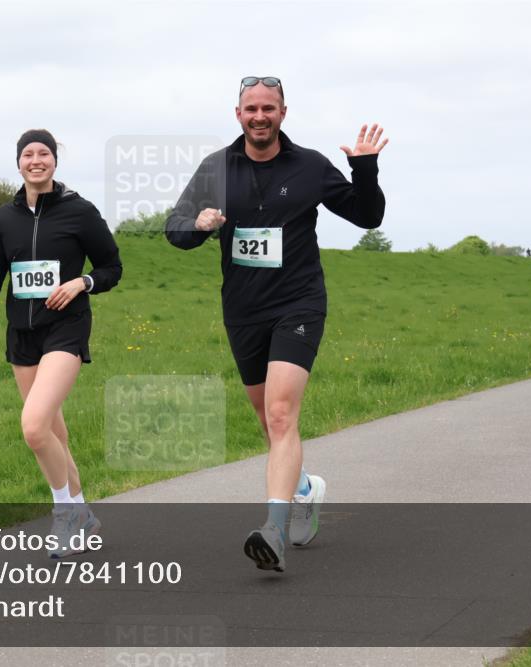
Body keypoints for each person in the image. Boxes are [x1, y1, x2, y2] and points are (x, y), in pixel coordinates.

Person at [165, 77, 387, 571]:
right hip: (243, 309)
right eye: (251, 108)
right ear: (238, 114)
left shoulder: (310, 166)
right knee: (268, 421)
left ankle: (274, 530)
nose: (259, 116)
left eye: (269, 107)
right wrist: (197, 226)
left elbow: (367, 216)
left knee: (282, 414)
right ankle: (305, 489)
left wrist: (365, 169)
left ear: (283, 112)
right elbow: (173, 229)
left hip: (298, 303)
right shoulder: (216, 168)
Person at [0, 129, 123, 558]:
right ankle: (84, 515)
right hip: (22, 335)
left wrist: (81, 283)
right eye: (28, 154)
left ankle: (65, 513)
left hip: (66, 328)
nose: (35, 160)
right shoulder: (4, 218)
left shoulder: (80, 211)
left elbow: (112, 267)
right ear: (18, 163)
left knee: (35, 427)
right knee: (54, 431)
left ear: (55, 161)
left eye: (44, 153)